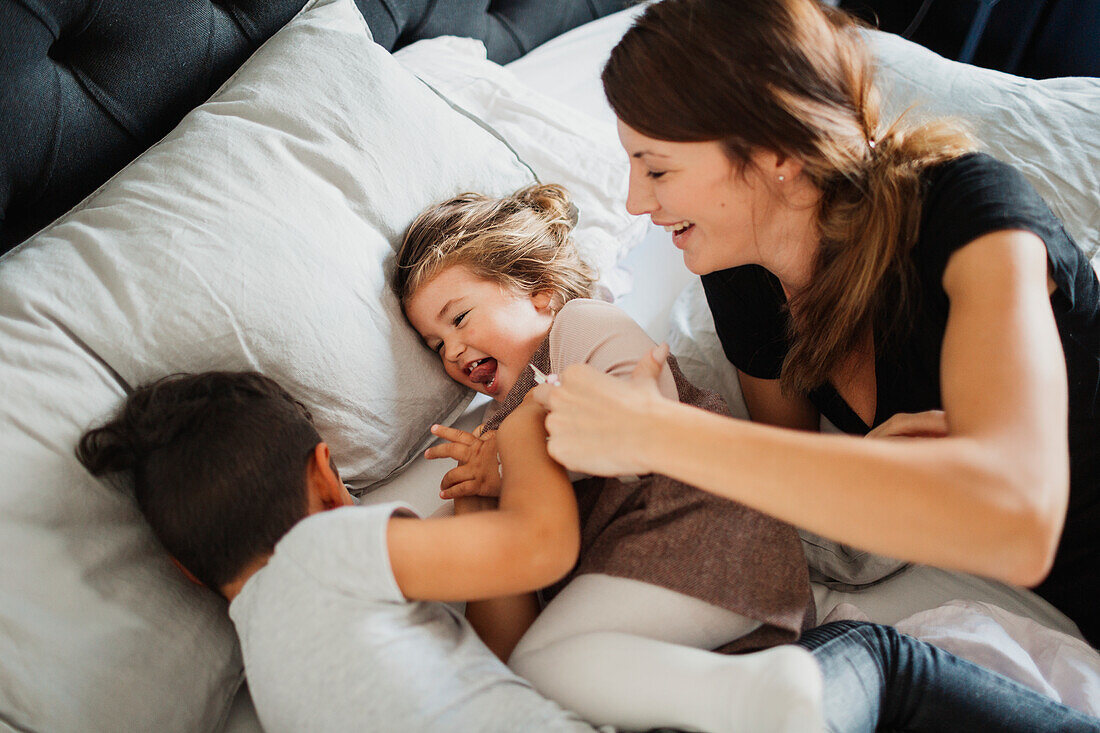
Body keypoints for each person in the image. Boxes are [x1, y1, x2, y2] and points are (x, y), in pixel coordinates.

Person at [396, 183, 1100, 732]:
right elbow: (504, 647)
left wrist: (519, 465)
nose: (453, 352)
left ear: (538, 291)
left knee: (550, 665)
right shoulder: (490, 429)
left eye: (458, 317)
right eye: (434, 345)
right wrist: (483, 504)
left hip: (707, 540)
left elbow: (646, 429)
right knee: (541, 671)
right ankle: (751, 694)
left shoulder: (577, 331)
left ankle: (758, 694)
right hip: (661, 597)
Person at [532, 0, 1100, 648]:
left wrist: (659, 433)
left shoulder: (970, 212)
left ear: (777, 149)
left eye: (657, 168)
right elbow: (788, 496)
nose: (636, 200)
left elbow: (1014, 520)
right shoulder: (738, 267)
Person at [75, 371, 596, 733]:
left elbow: (492, 667)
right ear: (325, 476)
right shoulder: (320, 549)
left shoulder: (268, 672)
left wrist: (476, 508)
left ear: (187, 572)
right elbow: (543, 548)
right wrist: (524, 430)